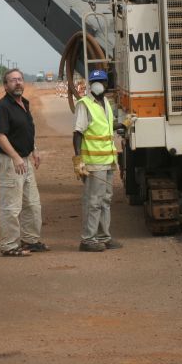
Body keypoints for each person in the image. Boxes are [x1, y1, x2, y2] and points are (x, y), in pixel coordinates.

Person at [0, 68, 49, 256]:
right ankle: (9, 246)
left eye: (20, 79)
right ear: (5, 85)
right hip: (11, 162)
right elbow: (0, 136)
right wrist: (16, 157)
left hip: (25, 160)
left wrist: (35, 149)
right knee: (12, 206)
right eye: (12, 80)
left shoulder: (24, 103)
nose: (17, 83)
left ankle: (30, 240)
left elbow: (26, 130)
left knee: (32, 203)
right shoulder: (2, 107)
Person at [72, 69, 123, 252]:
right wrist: (79, 160)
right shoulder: (84, 104)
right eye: (95, 81)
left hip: (108, 160)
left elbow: (107, 127)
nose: (98, 84)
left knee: (105, 200)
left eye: (101, 81)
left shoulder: (106, 104)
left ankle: (103, 237)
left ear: (106, 83)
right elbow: (78, 133)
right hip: (93, 162)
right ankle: (88, 239)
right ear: (89, 85)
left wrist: (123, 124)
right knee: (93, 201)